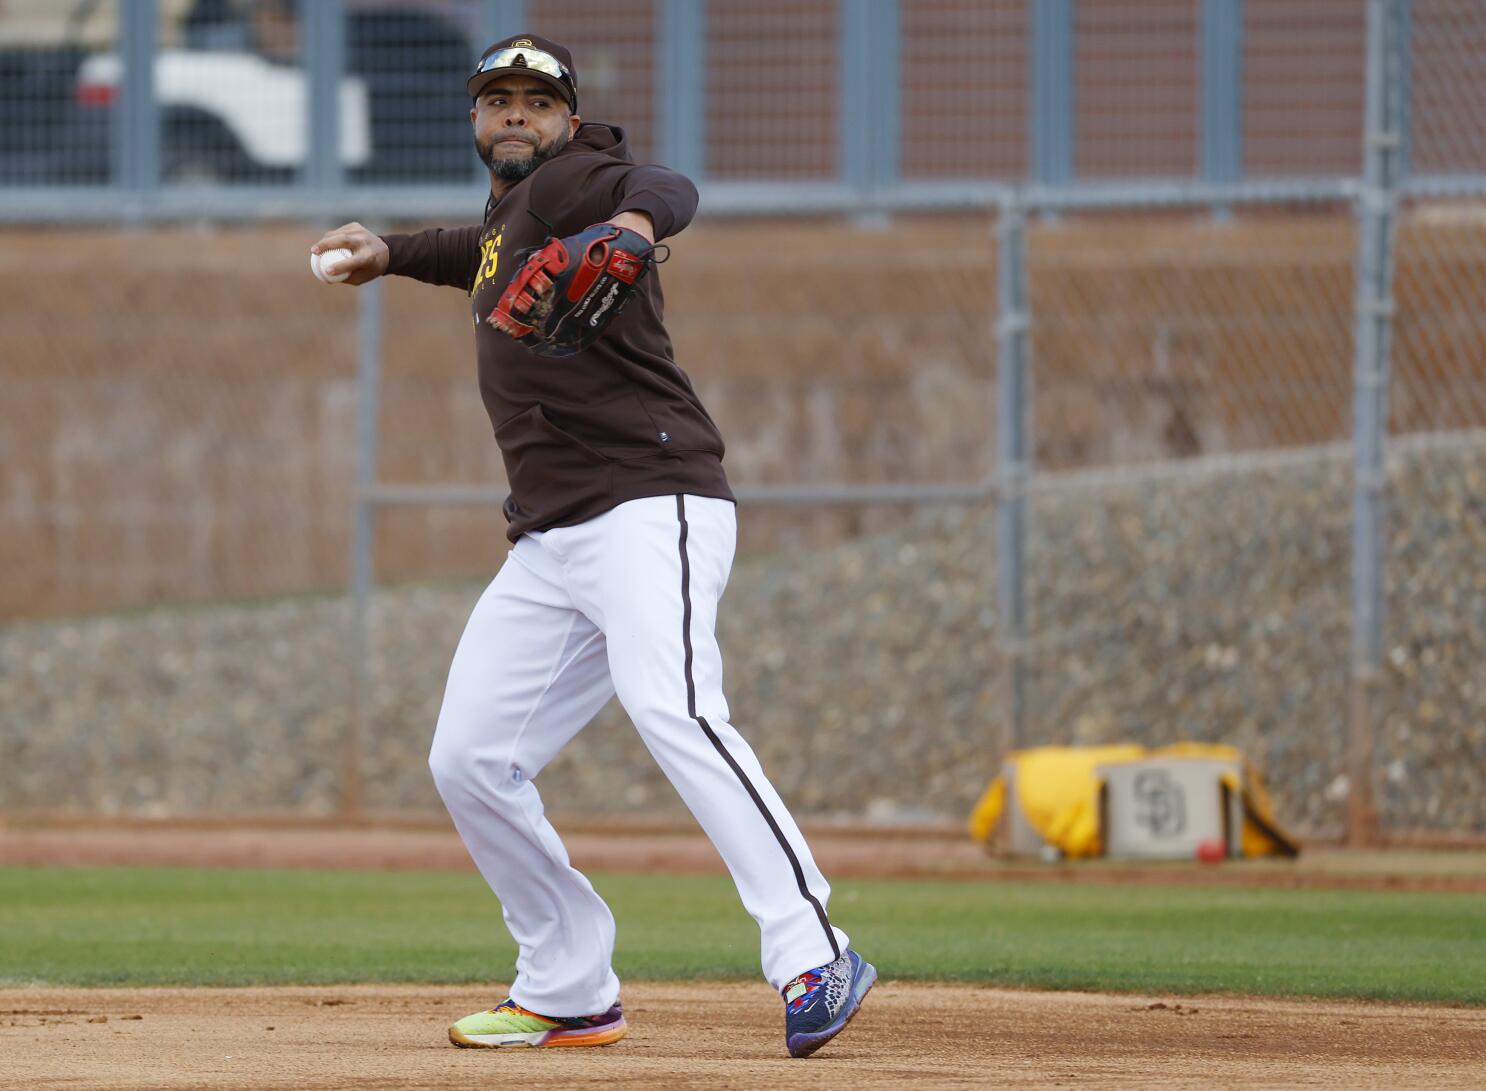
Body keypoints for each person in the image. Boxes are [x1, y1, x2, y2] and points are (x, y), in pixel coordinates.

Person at [310, 34, 874, 1059]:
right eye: (498, 100)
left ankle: (814, 948)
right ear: (475, 119)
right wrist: (390, 250)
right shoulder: (510, 215)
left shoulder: (585, 179)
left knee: (678, 707)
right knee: (471, 758)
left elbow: (669, 183)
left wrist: (627, 222)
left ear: (569, 119)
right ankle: (568, 986)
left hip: (649, 502)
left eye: (537, 100)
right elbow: (471, 255)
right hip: (552, 538)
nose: (516, 114)